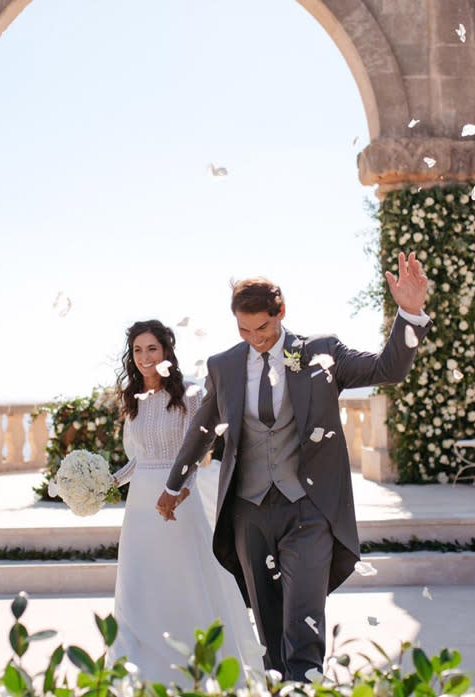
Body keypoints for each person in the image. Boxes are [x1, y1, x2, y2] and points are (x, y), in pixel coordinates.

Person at [156, 251, 431, 681]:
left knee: (302, 622)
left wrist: (410, 314)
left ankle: (306, 687)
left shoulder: (321, 352)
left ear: (281, 311)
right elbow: (204, 427)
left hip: (308, 509)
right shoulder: (224, 365)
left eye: (263, 327)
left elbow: (387, 368)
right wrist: (174, 486)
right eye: (245, 330)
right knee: (268, 631)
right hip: (248, 512)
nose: (256, 338)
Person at [109, 319, 264, 682]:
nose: (145, 357)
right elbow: (141, 458)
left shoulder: (190, 395)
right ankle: (142, 669)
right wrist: (107, 483)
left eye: (152, 349)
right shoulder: (131, 398)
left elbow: (195, 452)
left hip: (178, 500)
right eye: (138, 350)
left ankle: (194, 664)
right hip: (140, 507)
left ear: (166, 351)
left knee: (186, 580)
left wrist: (178, 491)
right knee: (139, 582)